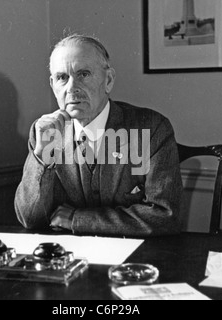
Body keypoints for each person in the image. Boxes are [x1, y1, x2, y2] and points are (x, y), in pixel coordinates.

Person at [14, 34, 183, 237]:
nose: (71, 88)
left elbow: (165, 216)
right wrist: (42, 157)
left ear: (108, 80)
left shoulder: (151, 127)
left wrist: (78, 220)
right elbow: (30, 219)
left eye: (83, 74)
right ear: (53, 86)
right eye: (62, 78)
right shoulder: (44, 133)